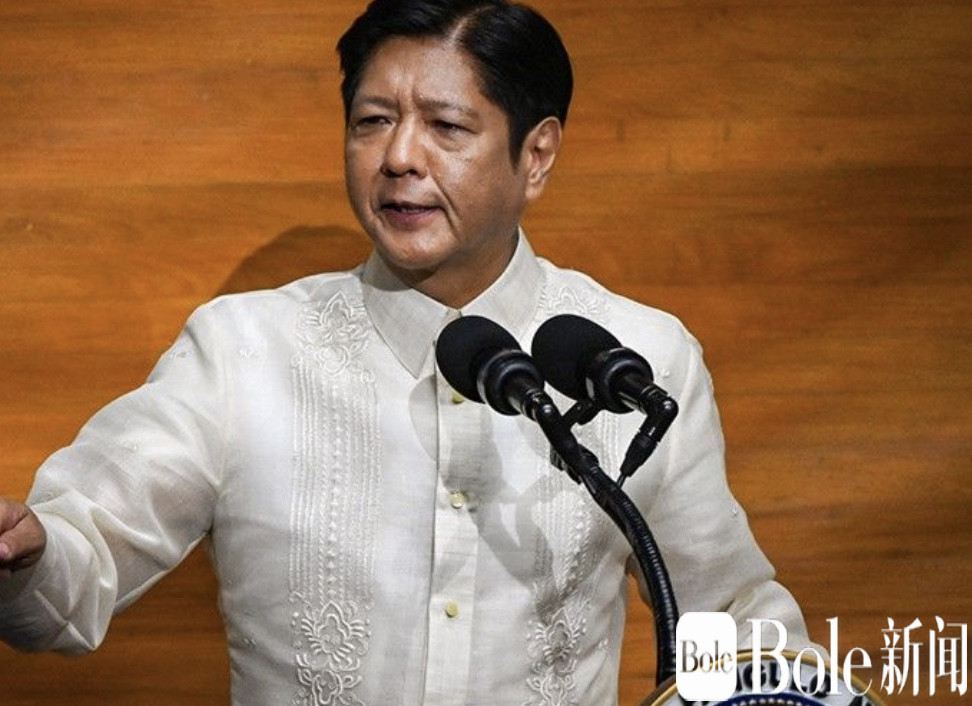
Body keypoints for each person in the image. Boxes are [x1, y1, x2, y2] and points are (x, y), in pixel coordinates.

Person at [0, 0, 814, 704]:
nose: (398, 157)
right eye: (373, 121)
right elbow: (79, 559)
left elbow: (729, 615)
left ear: (536, 155)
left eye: (446, 127)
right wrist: (28, 553)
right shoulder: (242, 351)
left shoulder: (636, 362)